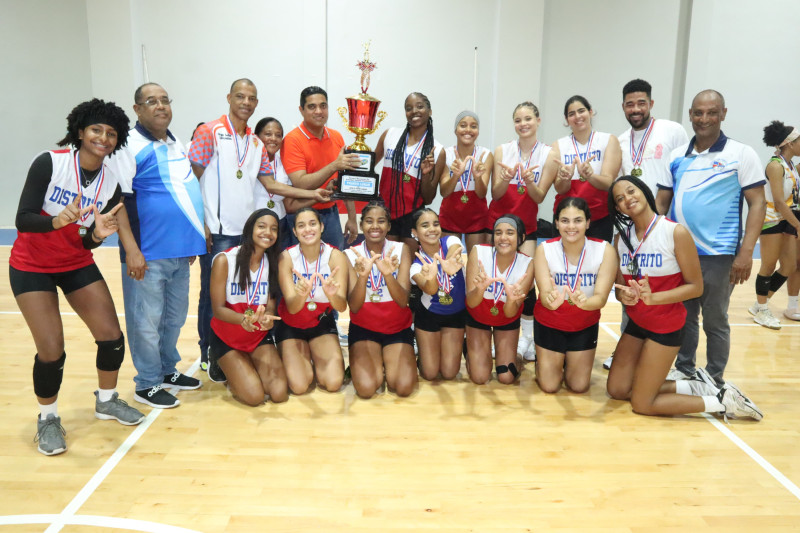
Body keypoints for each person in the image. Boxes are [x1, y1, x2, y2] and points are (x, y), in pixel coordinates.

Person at [11, 98, 145, 455]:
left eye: (111, 133)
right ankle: (48, 418)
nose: (103, 137)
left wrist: (98, 235)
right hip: (31, 265)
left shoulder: (110, 182)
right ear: (81, 132)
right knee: (51, 350)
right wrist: (57, 221)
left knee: (111, 335)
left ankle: (106, 400)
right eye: (96, 130)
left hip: (74, 262)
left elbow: (87, 241)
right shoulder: (50, 163)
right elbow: (23, 218)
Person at [608, 176, 762, 420]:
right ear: (617, 208)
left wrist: (655, 298)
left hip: (665, 325)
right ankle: (692, 384)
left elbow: (695, 287)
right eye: (620, 198)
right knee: (617, 390)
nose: (628, 199)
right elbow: (619, 288)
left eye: (631, 191)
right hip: (638, 323)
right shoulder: (620, 239)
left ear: (645, 192)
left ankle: (724, 401)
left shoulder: (674, 232)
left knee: (642, 403)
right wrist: (623, 295)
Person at [656, 90, 766, 385]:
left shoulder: (741, 154)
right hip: (680, 254)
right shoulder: (677, 156)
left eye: (712, 113)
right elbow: (661, 204)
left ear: (723, 113)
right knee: (685, 315)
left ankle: (714, 377)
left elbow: (758, 203)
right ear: (690, 114)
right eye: (698, 113)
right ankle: (685, 367)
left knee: (715, 320)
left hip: (719, 254)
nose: (704, 119)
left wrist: (745, 253)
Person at [108, 83, 204, 409]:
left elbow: (182, 190)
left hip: (179, 250)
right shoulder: (127, 146)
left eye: (165, 100)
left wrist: (191, 236)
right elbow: (117, 202)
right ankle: (146, 383)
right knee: (146, 321)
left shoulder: (175, 142)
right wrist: (132, 250)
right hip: (146, 252)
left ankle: (167, 370)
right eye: (151, 101)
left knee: (173, 318)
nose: (160, 106)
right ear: (137, 109)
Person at [189, 79, 274, 371]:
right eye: (240, 96)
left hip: (247, 235)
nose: (246, 102)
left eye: (252, 98)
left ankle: (240, 345)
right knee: (211, 295)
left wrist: (313, 193)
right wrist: (200, 223)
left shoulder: (256, 143)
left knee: (245, 292)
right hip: (218, 231)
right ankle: (209, 352)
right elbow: (192, 178)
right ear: (228, 97)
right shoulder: (209, 131)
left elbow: (270, 183)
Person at [604, 79, 689, 370]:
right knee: (631, 287)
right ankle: (630, 350)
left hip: (662, 225)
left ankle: (680, 364)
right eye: (630, 104)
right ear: (623, 107)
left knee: (673, 290)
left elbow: (684, 173)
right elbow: (613, 180)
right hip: (632, 230)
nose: (636, 108)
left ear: (651, 103)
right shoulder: (619, 140)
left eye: (641, 102)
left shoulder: (673, 131)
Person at [491, 101, 559, 361]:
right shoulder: (502, 151)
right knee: (497, 280)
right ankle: (497, 333)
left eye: (528, 118)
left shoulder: (549, 154)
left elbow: (540, 196)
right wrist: (505, 180)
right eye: (518, 120)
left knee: (526, 283)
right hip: (499, 224)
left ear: (538, 121)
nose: (523, 124)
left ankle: (527, 338)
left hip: (527, 227)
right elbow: (495, 194)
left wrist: (529, 181)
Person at [533, 197, 616, 393]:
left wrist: (584, 302)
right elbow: (544, 294)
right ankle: (544, 361)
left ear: (588, 223)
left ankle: (562, 361)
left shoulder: (604, 250)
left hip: (584, 323)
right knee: (550, 386)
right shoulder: (544, 249)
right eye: (565, 220)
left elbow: (601, 299)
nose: (571, 226)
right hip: (550, 322)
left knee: (579, 386)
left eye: (578, 220)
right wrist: (551, 301)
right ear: (556, 223)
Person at [208, 209, 288, 406]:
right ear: (250, 229)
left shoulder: (273, 263)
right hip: (227, 335)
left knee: (279, 394)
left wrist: (267, 319)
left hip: (257, 335)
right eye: (261, 226)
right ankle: (220, 359)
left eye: (273, 229)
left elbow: (270, 306)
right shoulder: (224, 260)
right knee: (255, 397)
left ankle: (246, 364)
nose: (267, 232)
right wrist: (243, 319)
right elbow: (218, 309)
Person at [345, 201, 416, 397]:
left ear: (389, 226)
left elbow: (402, 301)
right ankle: (368, 362)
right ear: (361, 226)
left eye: (381, 221)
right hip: (364, 328)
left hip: (397, 328)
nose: (375, 226)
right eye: (369, 221)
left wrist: (387, 274)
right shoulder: (350, 255)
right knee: (367, 389)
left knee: (403, 387)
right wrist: (363, 275)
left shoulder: (401, 250)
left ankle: (388, 362)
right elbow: (355, 306)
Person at [275, 208, 348, 394]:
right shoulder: (286, 257)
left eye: (312, 224)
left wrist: (332, 294)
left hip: (321, 323)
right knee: (299, 387)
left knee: (333, 384)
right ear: (294, 232)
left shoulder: (335, 256)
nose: (307, 229)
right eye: (301, 226)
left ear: (322, 227)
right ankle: (296, 356)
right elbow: (291, 308)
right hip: (291, 324)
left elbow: (341, 306)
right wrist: (301, 295)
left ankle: (312, 355)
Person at [280, 86, 362, 249]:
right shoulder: (292, 140)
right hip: (302, 215)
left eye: (323, 106)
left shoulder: (336, 136)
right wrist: (334, 166)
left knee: (334, 264)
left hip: (331, 214)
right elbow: (301, 183)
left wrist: (352, 218)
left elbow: (345, 180)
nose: (319, 111)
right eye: (312, 106)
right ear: (301, 110)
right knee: (302, 267)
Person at [465, 214, 534, 385]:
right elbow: (471, 302)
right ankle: (469, 349)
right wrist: (480, 290)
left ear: (521, 238)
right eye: (498, 233)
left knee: (506, 376)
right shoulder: (479, 252)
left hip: (506, 319)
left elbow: (511, 313)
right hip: (478, 315)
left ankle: (518, 353)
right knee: (480, 377)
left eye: (510, 233)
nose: (503, 238)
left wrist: (511, 300)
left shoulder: (528, 264)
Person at [374, 92, 445, 252]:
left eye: (420, 106)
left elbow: (429, 197)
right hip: (385, 211)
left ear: (430, 111)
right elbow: (369, 166)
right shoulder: (390, 134)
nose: (414, 111)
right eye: (409, 108)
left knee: (409, 265)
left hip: (413, 216)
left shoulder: (437, 150)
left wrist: (426, 174)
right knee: (385, 262)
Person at [747, 120, 800, 328]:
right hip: (771, 220)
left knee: (788, 266)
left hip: (786, 219)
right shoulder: (775, 165)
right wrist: (797, 224)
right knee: (768, 265)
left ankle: (759, 304)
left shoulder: (790, 166)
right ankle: (762, 309)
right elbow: (778, 201)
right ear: (788, 143)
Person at [253, 116, 332, 250]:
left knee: (279, 267)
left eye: (278, 135)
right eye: (267, 134)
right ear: (257, 137)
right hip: (254, 224)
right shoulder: (250, 161)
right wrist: (312, 194)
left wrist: (319, 196)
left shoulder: (284, 164)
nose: (273, 138)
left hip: (280, 225)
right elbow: (272, 186)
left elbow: (289, 206)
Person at [553, 95, 622, 243]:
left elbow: (608, 182)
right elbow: (559, 188)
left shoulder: (608, 140)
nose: (577, 116)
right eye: (571, 114)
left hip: (599, 216)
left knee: (596, 263)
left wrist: (590, 176)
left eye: (581, 111)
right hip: (567, 217)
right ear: (566, 120)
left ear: (591, 112)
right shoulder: (558, 145)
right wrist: (565, 179)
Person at [409, 208, 466, 381]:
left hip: (456, 315)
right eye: (425, 225)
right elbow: (431, 290)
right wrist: (432, 276)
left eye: (436, 224)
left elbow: (455, 248)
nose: (432, 229)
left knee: (449, 373)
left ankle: (462, 345)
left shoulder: (450, 241)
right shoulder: (416, 266)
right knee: (430, 374)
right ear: (414, 233)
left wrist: (448, 263)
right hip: (429, 315)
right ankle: (422, 353)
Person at [437, 110, 493, 254]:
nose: (468, 130)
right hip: (450, 215)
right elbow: (444, 192)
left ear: (478, 131)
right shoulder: (446, 153)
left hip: (477, 216)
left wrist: (478, 176)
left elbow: (482, 193)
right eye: (463, 125)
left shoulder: (485, 155)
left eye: (473, 126)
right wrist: (455, 175)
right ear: (455, 130)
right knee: (449, 262)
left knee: (478, 263)